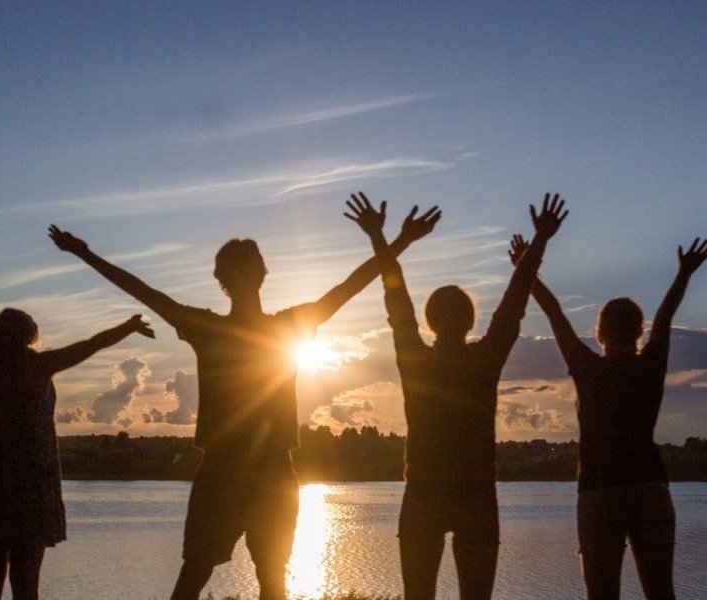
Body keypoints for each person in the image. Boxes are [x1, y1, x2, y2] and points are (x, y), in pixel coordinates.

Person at [47, 195, 440, 600]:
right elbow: (348, 289)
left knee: (200, 575)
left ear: (222, 280)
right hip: (268, 472)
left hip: (226, 472)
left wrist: (85, 253)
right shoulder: (284, 327)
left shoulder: (208, 327)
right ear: (263, 274)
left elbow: (143, 291)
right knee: (268, 580)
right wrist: (397, 242)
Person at [346, 192, 567, 600]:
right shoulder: (484, 360)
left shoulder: (415, 359)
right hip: (477, 494)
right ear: (470, 320)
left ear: (429, 321)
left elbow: (396, 301)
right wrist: (539, 242)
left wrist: (380, 236)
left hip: (424, 494)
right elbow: (514, 305)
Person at [508, 234, 707, 600]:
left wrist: (527, 270)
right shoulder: (650, 365)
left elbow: (554, 312)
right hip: (650, 487)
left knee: (601, 594)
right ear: (637, 332)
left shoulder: (587, 368)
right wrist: (683, 273)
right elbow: (664, 318)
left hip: (599, 493)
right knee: (661, 591)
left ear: (599, 332)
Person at [0, 309, 153, 600]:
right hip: (33, 479)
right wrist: (128, 327)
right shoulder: (42, 364)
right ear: (29, 334)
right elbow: (93, 343)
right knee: (26, 582)